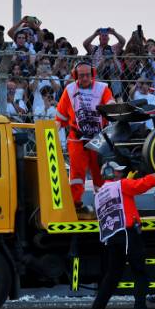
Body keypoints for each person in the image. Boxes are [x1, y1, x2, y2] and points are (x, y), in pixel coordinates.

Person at [88, 158, 155, 309]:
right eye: (117, 171)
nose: (121, 173)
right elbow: (143, 185)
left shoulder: (101, 192)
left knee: (112, 275)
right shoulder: (122, 185)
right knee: (140, 273)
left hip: (112, 237)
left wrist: (128, 183)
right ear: (110, 173)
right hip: (128, 234)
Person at [55, 62, 113, 214]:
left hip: (98, 137)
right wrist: (52, 132)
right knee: (77, 174)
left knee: (100, 172)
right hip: (76, 138)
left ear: (93, 74)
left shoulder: (103, 88)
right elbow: (60, 117)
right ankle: (76, 204)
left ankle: (104, 204)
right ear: (75, 76)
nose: (85, 78)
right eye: (81, 76)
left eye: (88, 75)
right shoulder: (69, 90)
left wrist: (112, 106)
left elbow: (111, 105)